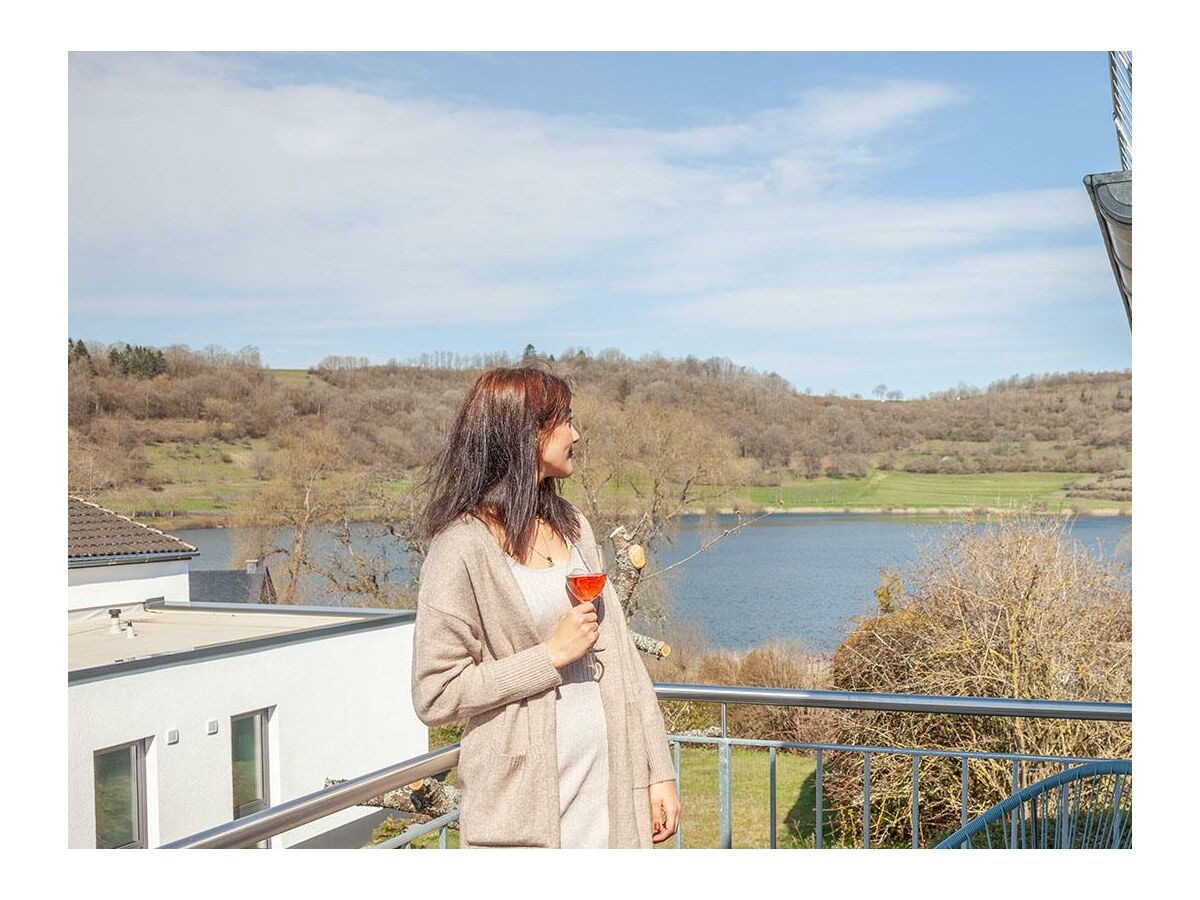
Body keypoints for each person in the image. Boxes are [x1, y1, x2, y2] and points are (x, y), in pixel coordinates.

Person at [410, 366, 681, 848]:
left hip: (611, 790)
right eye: (566, 421)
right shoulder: (461, 548)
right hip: (525, 805)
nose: (576, 434)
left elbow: (621, 659)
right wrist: (549, 656)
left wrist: (658, 770)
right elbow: (435, 694)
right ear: (525, 432)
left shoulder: (573, 526)